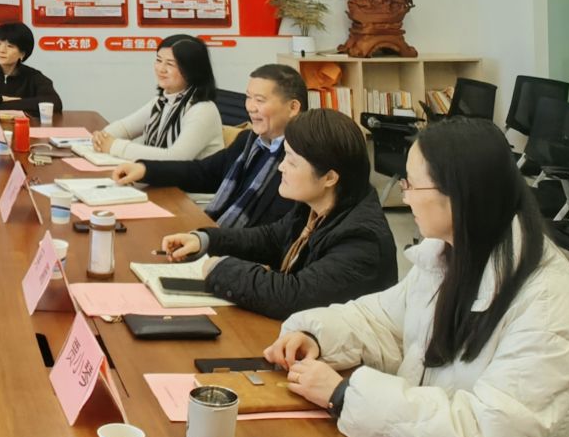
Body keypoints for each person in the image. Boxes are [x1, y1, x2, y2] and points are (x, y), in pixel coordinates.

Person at [263, 118, 569, 437]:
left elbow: (493, 432)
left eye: (412, 185)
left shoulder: (548, 303)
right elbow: (384, 319)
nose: (403, 195)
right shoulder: (452, 252)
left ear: (458, 195)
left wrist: (346, 395)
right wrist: (316, 336)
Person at [153, 109, 396, 318]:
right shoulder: (315, 205)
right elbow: (271, 238)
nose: (281, 167)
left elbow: (293, 295)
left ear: (329, 178)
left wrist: (220, 269)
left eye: (291, 161)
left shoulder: (361, 238)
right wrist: (206, 240)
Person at [110, 63, 307, 230]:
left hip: (245, 253)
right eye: (248, 97)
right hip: (218, 236)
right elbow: (203, 172)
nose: (250, 107)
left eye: (260, 100)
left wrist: (211, 242)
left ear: (293, 108)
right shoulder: (249, 142)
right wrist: (145, 170)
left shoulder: (300, 161)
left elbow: (275, 235)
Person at [92, 35, 220, 160]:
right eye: (159, 60)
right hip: (159, 172)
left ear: (191, 70)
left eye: (170, 64)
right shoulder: (163, 101)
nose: (161, 69)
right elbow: (125, 128)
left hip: (184, 175)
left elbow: (176, 158)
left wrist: (115, 146)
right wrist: (102, 137)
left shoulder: (203, 110)